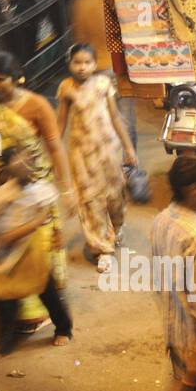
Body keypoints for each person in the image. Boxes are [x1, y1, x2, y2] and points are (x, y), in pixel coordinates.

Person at [0, 49, 76, 334]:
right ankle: (13, 306)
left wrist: (67, 190)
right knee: (3, 253)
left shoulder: (37, 106)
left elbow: (55, 148)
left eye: (0, 79)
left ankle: (41, 314)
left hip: (32, 191)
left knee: (36, 253)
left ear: (18, 78)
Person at [0, 146, 73, 356]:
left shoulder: (41, 190)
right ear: (8, 170)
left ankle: (64, 329)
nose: (25, 167)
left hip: (33, 251)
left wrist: (57, 233)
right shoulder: (1, 196)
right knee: (5, 299)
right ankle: (4, 343)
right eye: (19, 164)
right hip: (9, 254)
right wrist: (33, 223)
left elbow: (52, 211)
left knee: (47, 292)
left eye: (27, 162)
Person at [56, 43, 135, 269]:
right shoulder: (66, 88)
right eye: (77, 62)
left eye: (87, 62)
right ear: (70, 64)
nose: (82, 67)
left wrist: (128, 148)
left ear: (94, 64)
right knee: (90, 201)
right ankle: (102, 249)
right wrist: (53, 150)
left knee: (115, 196)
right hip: (81, 154)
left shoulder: (103, 84)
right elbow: (60, 123)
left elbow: (115, 117)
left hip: (109, 150)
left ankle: (117, 226)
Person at [150, 154, 196, 379]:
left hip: (172, 328)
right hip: (194, 338)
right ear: (193, 189)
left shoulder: (161, 219)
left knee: (182, 381)